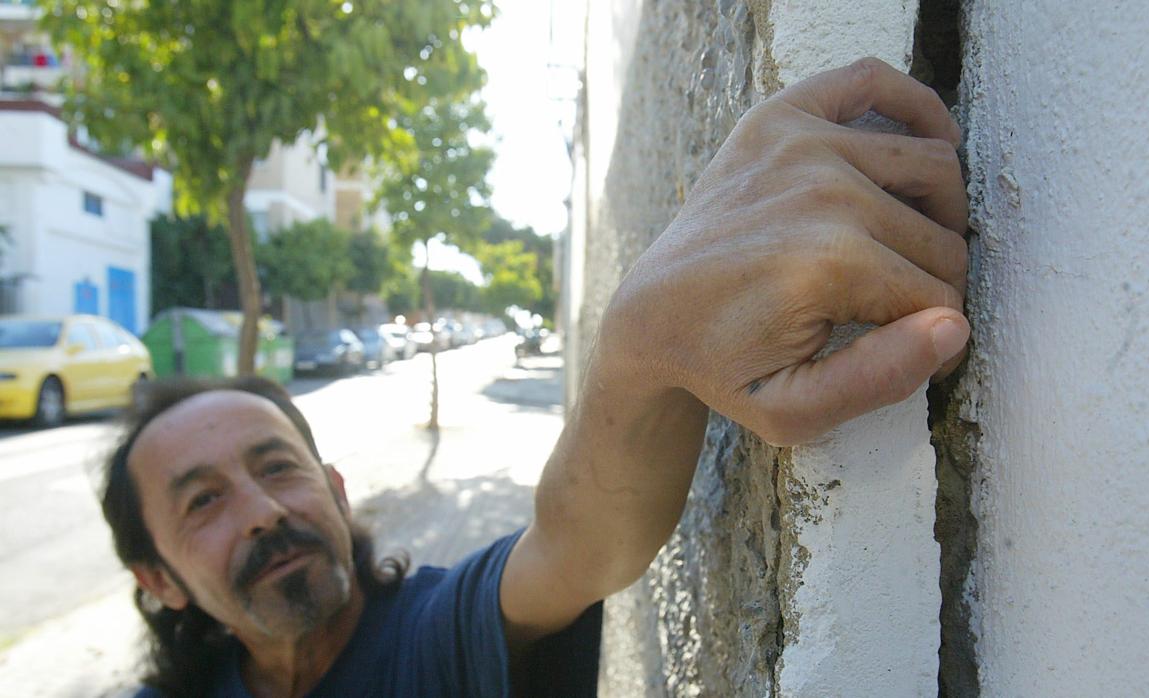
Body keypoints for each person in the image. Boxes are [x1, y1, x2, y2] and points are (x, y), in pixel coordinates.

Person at [103, 58, 970, 698]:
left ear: (333, 489)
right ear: (159, 581)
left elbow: (583, 545)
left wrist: (645, 340)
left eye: (277, 465)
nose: (263, 510)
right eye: (202, 501)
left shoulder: (434, 641)